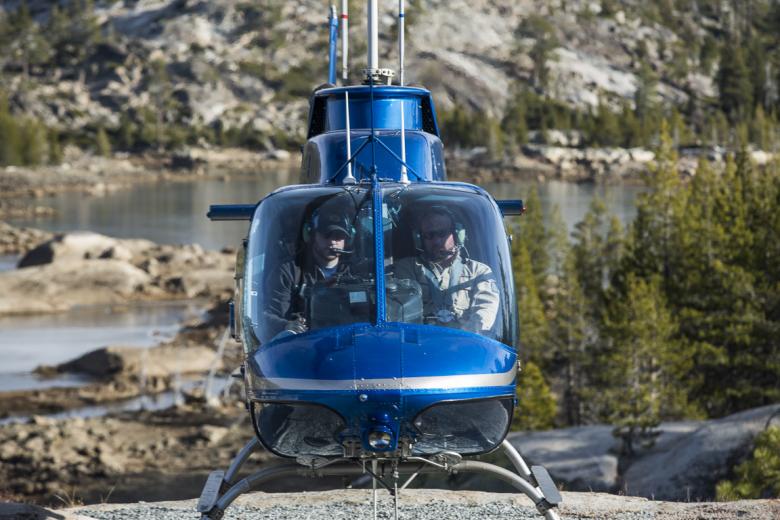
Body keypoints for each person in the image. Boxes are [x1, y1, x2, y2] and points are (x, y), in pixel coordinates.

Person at [394, 206, 500, 335]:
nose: (437, 241)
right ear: (419, 239)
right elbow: (401, 316)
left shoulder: (479, 272)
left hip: (464, 347)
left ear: (457, 234)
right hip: (421, 345)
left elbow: (484, 315)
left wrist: (460, 342)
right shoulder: (406, 268)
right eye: (429, 235)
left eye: (442, 234)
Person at [263, 202, 355, 340]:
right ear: (311, 235)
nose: (332, 242)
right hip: (305, 344)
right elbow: (268, 315)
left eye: (338, 236)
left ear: (347, 240)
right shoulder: (289, 271)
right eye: (326, 235)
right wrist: (287, 326)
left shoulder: (358, 271)